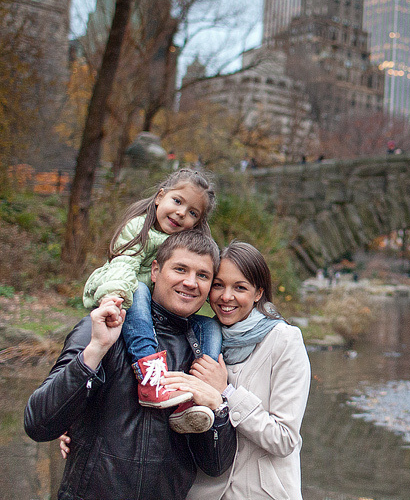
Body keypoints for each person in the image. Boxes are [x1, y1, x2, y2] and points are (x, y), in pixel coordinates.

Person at [26, 230, 237, 500]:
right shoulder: (106, 327)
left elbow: (216, 466)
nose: (190, 282)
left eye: (203, 275)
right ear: (155, 271)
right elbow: (38, 423)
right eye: (180, 269)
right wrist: (95, 350)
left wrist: (217, 407)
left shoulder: (205, 354)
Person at [82, 167, 222, 431]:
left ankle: (196, 392)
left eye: (192, 212)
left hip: (158, 308)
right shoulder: (139, 228)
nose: (181, 213)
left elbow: (205, 278)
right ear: (160, 196)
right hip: (123, 293)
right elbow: (123, 266)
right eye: (177, 201)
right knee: (140, 289)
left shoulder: (189, 243)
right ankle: (151, 378)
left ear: (198, 221)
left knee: (210, 326)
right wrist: (115, 295)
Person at [173, 241, 311, 500]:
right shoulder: (198, 337)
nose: (226, 297)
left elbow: (283, 440)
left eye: (240, 288)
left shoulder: (284, 341)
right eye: (218, 285)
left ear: (258, 293)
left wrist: (226, 392)